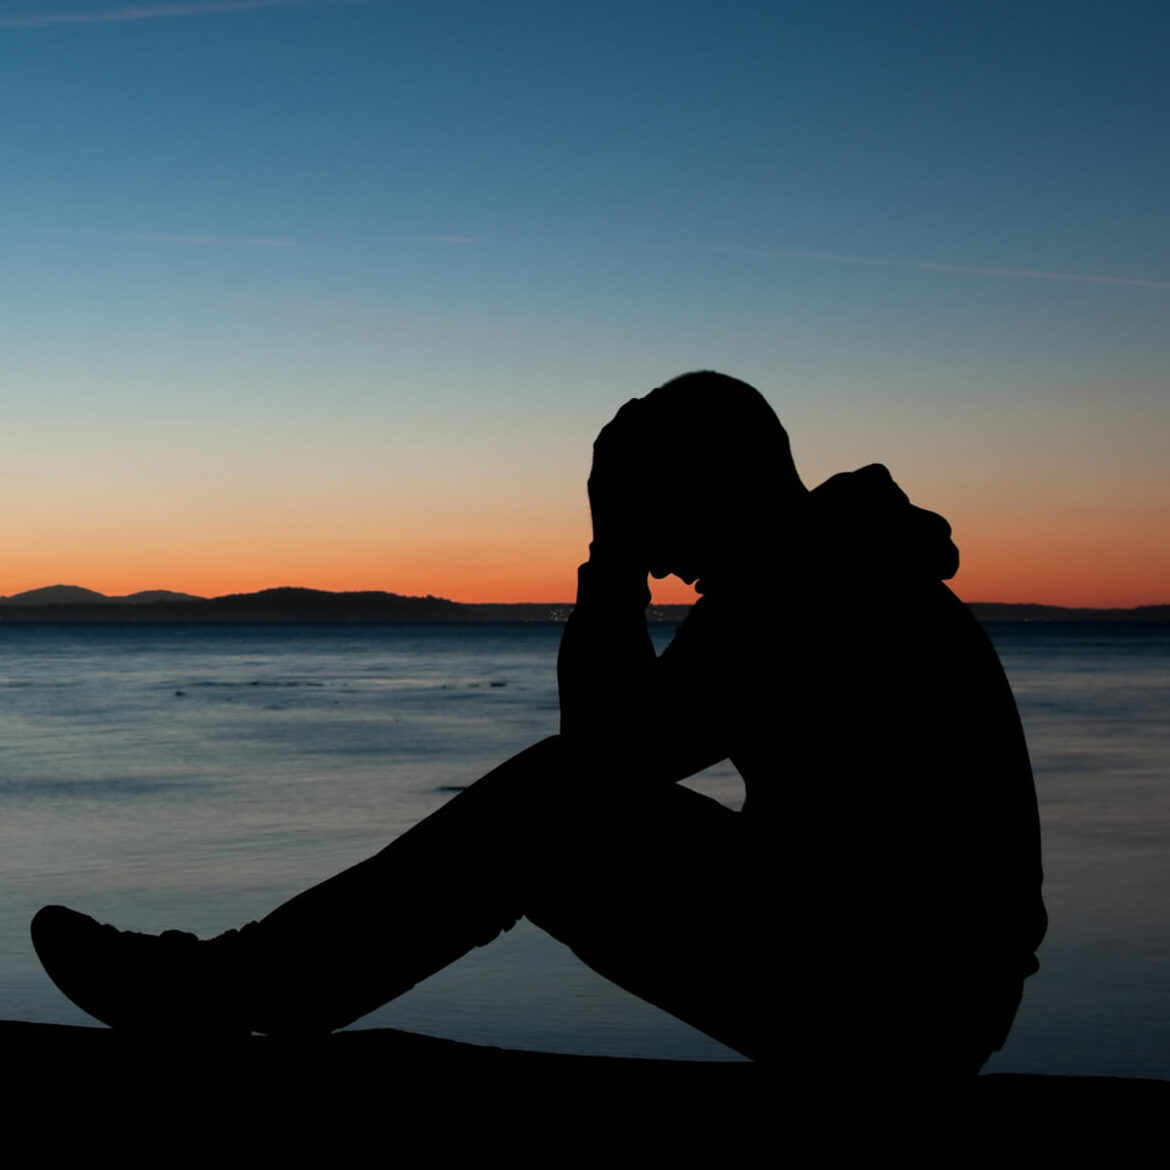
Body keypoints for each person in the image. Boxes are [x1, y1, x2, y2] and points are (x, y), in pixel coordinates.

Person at [31, 371, 1046, 1076]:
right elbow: (621, 752)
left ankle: (229, 989)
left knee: (554, 803)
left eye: (652, 518)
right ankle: (241, 984)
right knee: (557, 801)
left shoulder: (807, 590)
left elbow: (606, 757)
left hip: (897, 1003)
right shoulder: (828, 571)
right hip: (909, 978)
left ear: (706, 487)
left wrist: (604, 563)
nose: (657, 561)